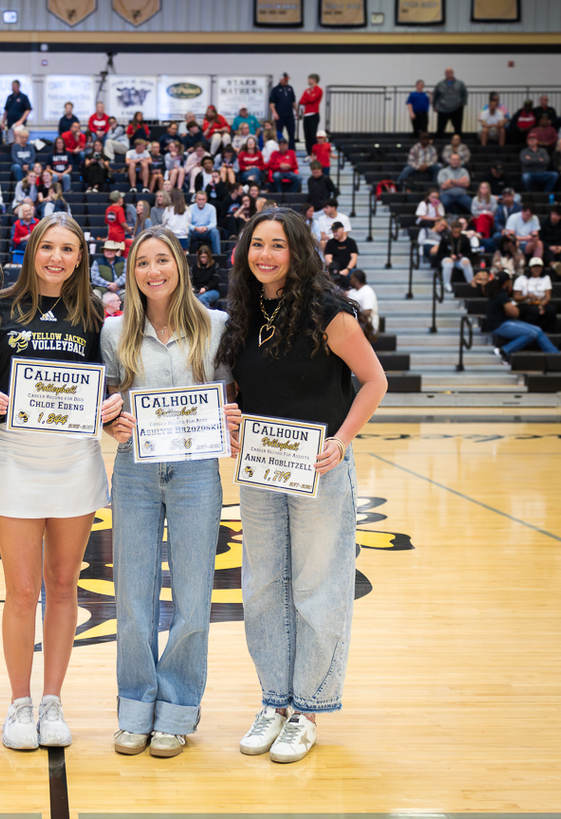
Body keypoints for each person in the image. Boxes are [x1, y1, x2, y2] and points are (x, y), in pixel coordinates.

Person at [215, 206, 386, 763]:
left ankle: (308, 708)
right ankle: (275, 700)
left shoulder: (330, 312)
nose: (265, 255)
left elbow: (373, 381)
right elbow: (241, 387)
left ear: (298, 252)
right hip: (262, 471)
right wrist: (231, 412)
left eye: (277, 245)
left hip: (319, 468)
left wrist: (342, 440)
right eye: (256, 244)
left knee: (317, 587)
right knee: (264, 586)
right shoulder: (241, 311)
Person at [0, 213, 120, 750]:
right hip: (14, 456)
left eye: (67, 249)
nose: (56, 257)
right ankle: (19, 703)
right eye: (47, 247)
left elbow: (114, 385)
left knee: (63, 586)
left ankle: (53, 700)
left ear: (80, 257)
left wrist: (113, 402)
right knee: (20, 590)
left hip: (75, 460)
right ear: (31, 250)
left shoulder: (94, 317)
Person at [102, 225, 239, 759]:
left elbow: (232, 392)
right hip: (135, 470)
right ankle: (135, 708)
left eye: (162, 260)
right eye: (142, 263)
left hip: (197, 471)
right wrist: (110, 421)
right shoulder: (115, 332)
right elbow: (108, 400)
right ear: (131, 272)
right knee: (132, 596)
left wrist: (232, 414)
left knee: (191, 594)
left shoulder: (217, 325)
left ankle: (179, 710)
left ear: (179, 265)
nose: (153, 271)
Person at [485, 271, 559, 360]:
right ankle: (504, 351)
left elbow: (510, 311)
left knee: (538, 330)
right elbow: (515, 313)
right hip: (498, 326)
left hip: (505, 321)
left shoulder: (499, 292)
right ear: (506, 282)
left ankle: (555, 354)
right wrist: (512, 308)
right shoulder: (500, 295)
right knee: (531, 333)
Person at [512, 257, 555, 331]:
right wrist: (527, 296)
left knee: (551, 309)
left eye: (539, 267)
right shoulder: (521, 279)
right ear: (530, 268)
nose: (537, 269)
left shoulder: (546, 278)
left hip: (540, 303)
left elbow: (547, 297)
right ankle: (528, 331)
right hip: (525, 303)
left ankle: (551, 332)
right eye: (534, 267)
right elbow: (516, 297)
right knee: (534, 310)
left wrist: (541, 305)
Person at [435, 220, 475, 292]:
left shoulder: (464, 238)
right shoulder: (446, 238)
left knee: (466, 262)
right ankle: (446, 284)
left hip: (459, 260)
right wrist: (449, 255)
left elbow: (468, 253)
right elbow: (440, 254)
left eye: (458, 232)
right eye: (454, 232)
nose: (456, 234)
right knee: (449, 263)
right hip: (447, 259)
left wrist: (461, 256)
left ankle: (471, 283)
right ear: (451, 230)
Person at [323, 221, 358, 288]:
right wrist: (335, 269)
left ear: (342, 229)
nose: (334, 233)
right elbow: (328, 258)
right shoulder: (330, 243)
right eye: (333, 232)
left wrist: (347, 269)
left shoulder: (351, 242)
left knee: (356, 274)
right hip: (335, 270)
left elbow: (354, 258)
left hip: (349, 270)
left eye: (336, 231)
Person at [432, 67, 466, 135]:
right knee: (440, 129)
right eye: (447, 72)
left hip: (457, 109)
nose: (448, 74)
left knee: (458, 129)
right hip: (442, 109)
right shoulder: (440, 84)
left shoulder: (460, 83)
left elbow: (464, 94)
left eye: (450, 72)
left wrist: (463, 103)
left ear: (453, 73)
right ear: (445, 74)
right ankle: (439, 144)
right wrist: (434, 106)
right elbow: (435, 95)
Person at [347, 270, 379, 336]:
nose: (350, 281)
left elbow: (367, 312)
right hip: (354, 324)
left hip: (368, 326)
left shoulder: (367, 291)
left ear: (356, 280)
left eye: (351, 278)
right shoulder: (352, 291)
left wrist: (352, 316)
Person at [189, 191, 221, 256]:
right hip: (194, 231)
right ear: (196, 200)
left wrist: (206, 228)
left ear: (206, 199)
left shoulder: (211, 208)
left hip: (206, 231)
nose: (201, 201)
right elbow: (187, 224)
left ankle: (218, 256)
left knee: (215, 232)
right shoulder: (190, 208)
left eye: (203, 199)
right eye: (199, 199)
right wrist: (195, 228)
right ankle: (184, 256)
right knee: (186, 232)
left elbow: (214, 223)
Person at [269, 73, 297, 146]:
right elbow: (272, 103)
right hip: (280, 116)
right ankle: (278, 148)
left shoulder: (290, 88)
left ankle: (292, 150)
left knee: (291, 134)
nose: (287, 82)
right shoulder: (275, 90)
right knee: (278, 133)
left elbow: (293, 101)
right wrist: (274, 113)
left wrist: (297, 111)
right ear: (281, 80)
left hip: (290, 115)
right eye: (285, 80)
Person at [299, 74, 323, 155]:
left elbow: (312, 99)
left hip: (313, 114)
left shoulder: (319, 90)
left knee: (313, 135)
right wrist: (308, 98)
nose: (308, 81)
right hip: (306, 115)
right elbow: (301, 101)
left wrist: (307, 98)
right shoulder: (307, 90)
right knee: (307, 136)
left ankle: (314, 153)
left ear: (314, 80)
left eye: (309, 79)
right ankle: (309, 153)